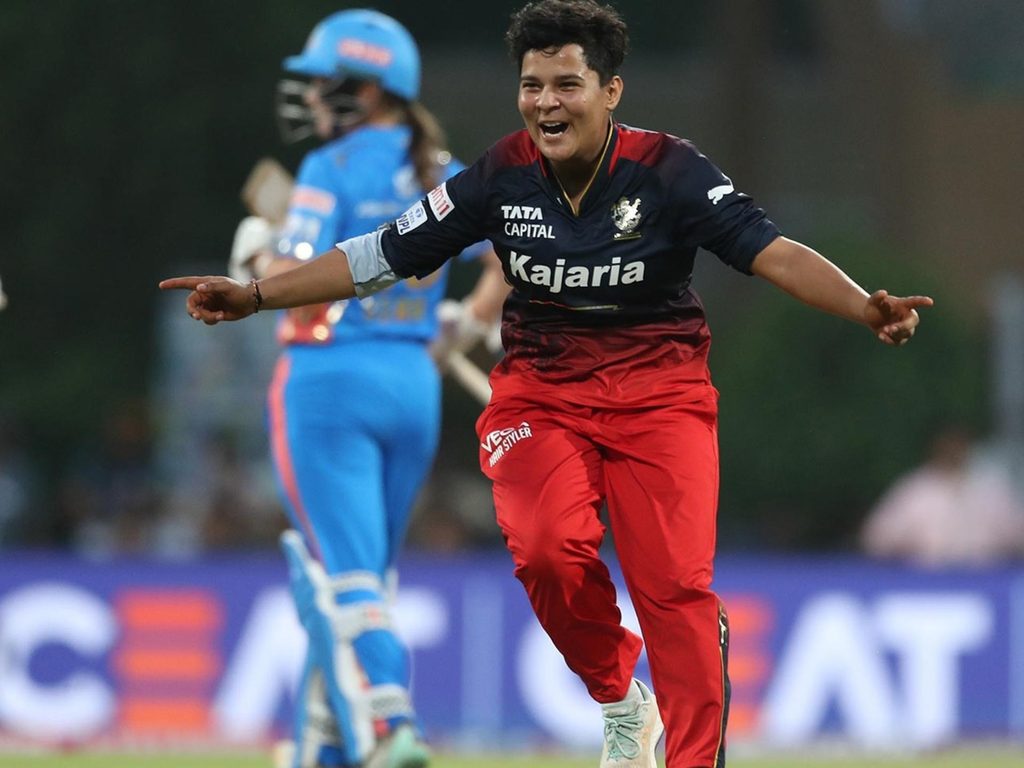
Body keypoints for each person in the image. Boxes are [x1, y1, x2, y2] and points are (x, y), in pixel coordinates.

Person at [162, 1, 933, 765]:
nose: (545, 103)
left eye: (566, 84)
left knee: (675, 593)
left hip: (662, 398)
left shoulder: (671, 170)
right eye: (532, 86)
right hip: (541, 398)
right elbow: (379, 256)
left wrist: (864, 305)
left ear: (611, 90)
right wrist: (256, 295)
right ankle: (621, 699)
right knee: (546, 552)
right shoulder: (498, 175)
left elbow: (772, 251)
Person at [224, 10, 505, 768]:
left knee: (340, 578)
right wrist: (468, 322)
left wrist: (257, 257)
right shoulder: (438, 169)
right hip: (412, 385)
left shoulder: (331, 166)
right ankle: (319, 751)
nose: (314, 97)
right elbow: (507, 257)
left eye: (325, 82)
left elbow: (295, 279)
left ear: (369, 89)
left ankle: (388, 724)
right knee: (366, 579)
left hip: (329, 382)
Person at [861, 425, 1024, 566]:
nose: (954, 450)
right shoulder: (915, 489)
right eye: (948, 444)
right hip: (929, 578)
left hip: (987, 577)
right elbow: (877, 539)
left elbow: (1017, 534)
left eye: (959, 444)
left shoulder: (991, 487)